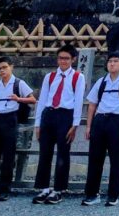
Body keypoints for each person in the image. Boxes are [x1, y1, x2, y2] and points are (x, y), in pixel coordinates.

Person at [81, 53, 119, 207]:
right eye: (110, 61)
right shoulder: (101, 81)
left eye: (115, 61)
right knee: (95, 158)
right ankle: (92, 193)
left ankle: (113, 195)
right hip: (100, 120)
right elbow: (92, 104)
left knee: (116, 159)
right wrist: (89, 126)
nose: (112, 64)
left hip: (118, 120)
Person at [33, 43, 86, 205]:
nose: (63, 61)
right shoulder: (50, 77)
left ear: (73, 59)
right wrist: (38, 123)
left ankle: (59, 189)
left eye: (67, 59)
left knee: (63, 153)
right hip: (49, 114)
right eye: (61, 58)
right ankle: (43, 188)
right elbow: (42, 100)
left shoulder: (78, 77)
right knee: (45, 152)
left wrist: (75, 125)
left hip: (65, 115)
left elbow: (78, 101)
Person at [0, 55, 35, 202]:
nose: (2, 71)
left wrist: (18, 99)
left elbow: (33, 99)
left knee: (8, 156)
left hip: (11, 119)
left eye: (4, 67)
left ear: (11, 67)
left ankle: (5, 188)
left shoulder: (19, 83)